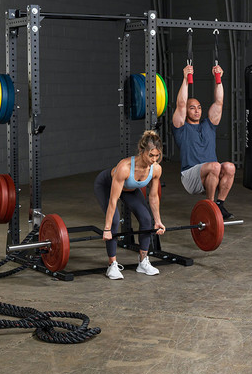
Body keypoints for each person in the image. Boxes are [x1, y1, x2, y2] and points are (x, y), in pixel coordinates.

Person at [94, 130, 165, 279]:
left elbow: (153, 197)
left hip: (130, 189)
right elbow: (113, 200)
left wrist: (158, 221)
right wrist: (107, 229)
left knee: (146, 219)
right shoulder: (124, 168)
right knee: (114, 220)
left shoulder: (156, 169)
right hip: (106, 185)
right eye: (151, 155)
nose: (154, 159)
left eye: (157, 155)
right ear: (141, 151)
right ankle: (112, 265)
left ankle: (143, 261)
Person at [172, 63, 235, 220]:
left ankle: (219, 205)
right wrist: (185, 79)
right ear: (186, 111)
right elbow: (180, 104)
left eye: (199, 107)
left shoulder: (209, 125)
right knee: (215, 165)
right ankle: (210, 207)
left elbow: (219, 102)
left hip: (210, 174)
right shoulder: (181, 127)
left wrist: (218, 79)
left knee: (229, 167)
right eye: (192, 108)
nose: (197, 110)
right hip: (190, 176)